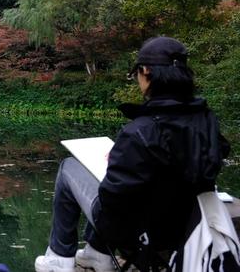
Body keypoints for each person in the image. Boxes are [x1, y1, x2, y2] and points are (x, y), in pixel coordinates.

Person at [35, 36, 230, 272]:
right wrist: (123, 159)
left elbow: (111, 203)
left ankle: (59, 258)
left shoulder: (141, 131)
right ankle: (95, 253)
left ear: (146, 71)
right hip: (188, 223)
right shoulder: (206, 120)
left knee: (69, 168)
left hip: (140, 234)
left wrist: (116, 163)